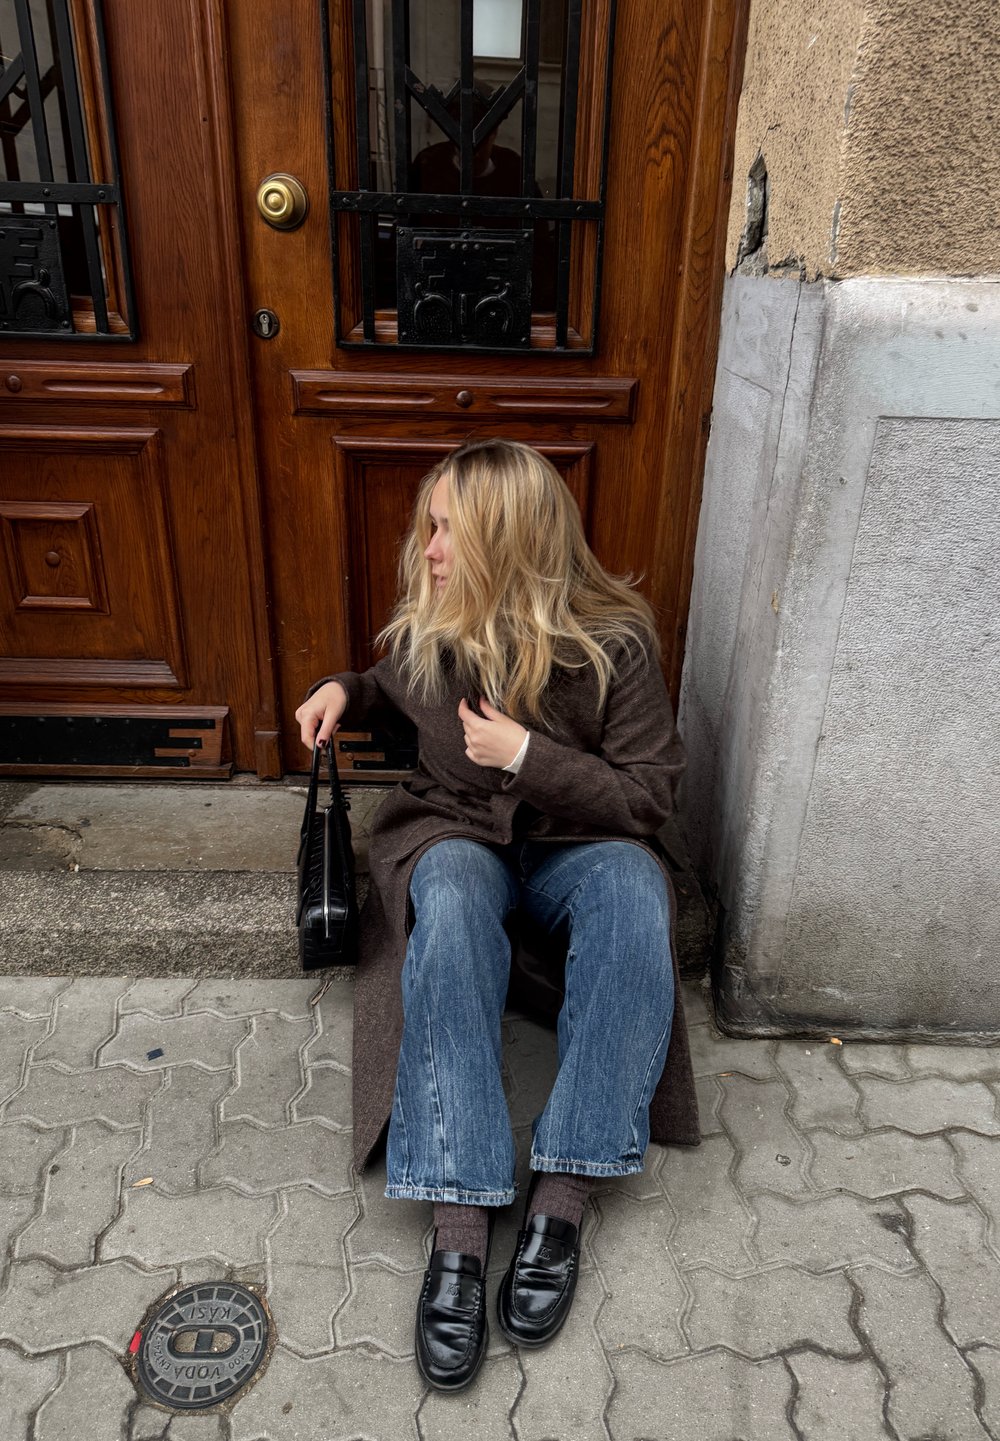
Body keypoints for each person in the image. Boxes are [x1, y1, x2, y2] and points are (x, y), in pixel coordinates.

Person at [295, 438, 699, 1392]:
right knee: (453, 898)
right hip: (458, 833)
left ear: (511, 541)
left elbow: (649, 801)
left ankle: (564, 1193)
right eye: (430, 526)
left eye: (449, 531)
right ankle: (461, 1224)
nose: (428, 548)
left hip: (574, 843)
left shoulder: (617, 644)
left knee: (637, 893)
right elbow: (385, 685)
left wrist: (528, 753)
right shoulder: (436, 628)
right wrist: (341, 690)